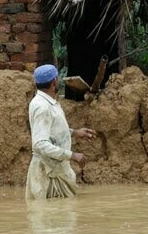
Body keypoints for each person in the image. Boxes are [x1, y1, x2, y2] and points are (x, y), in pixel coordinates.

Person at [26, 64, 96, 200]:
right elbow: (40, 144)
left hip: (55, 170)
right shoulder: (43, 107)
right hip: (49, 173)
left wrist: (74, 132)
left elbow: (51, 130)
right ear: (54, 82)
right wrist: (72, 155)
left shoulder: (44, 102)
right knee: (54, 210)